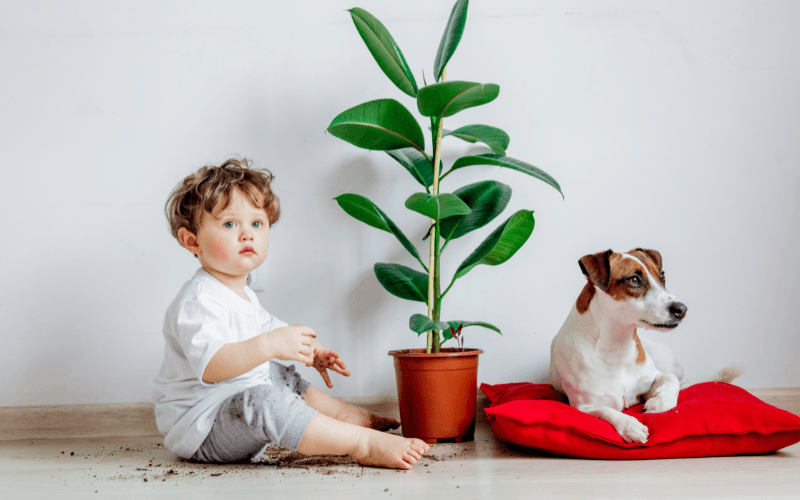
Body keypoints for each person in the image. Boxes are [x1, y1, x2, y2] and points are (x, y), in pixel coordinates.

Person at [151, 158, 429, 469]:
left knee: (276, 373)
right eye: (230, 224)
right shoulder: (199, 299)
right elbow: (212, 367)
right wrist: (271, 345)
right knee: (265, 395)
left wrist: (311, 350)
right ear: (192, 241)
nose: (247, 234)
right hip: (203, 428)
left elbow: (274, 329)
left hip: (234, 411)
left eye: (256, 224)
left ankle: (345, 417)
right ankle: (360, 443)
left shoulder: (241, 294)